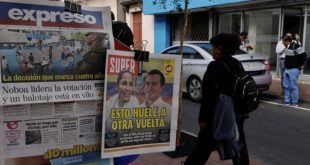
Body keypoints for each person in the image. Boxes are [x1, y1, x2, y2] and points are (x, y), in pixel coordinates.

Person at [184, 33, 249, 165]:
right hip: (237, 112)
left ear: (219, 49)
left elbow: (209, 96)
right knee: (239, 143)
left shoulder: (215, 66)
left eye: (213, 47)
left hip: (218, 114)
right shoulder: (236, 64)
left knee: (203, 146)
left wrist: (203, 118)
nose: (212, 50)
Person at [282, 35, 307, 106]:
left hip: (294, 69)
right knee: (286, 86)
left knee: (293, 86)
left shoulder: (295, 46)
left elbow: (304, 55)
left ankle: (295, 102)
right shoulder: (286, 47)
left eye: (283, 41)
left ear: (287, 41)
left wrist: (301, 64)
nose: (282, 43)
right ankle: (287, 101)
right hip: (287, 69)